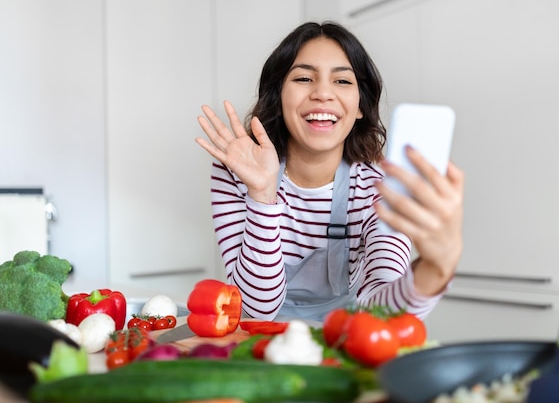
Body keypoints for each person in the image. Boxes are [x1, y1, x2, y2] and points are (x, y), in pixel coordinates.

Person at [195, 21, 464, 322]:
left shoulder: (378, 191)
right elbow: (255, 309)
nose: (323, 93)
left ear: (361, 105)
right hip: (257, 339)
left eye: (342, 82)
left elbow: (382, 313)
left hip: (345, 339)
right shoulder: (236, 173)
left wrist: (434, 270)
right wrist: (261, 196)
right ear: (278, 95)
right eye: (304, 78)